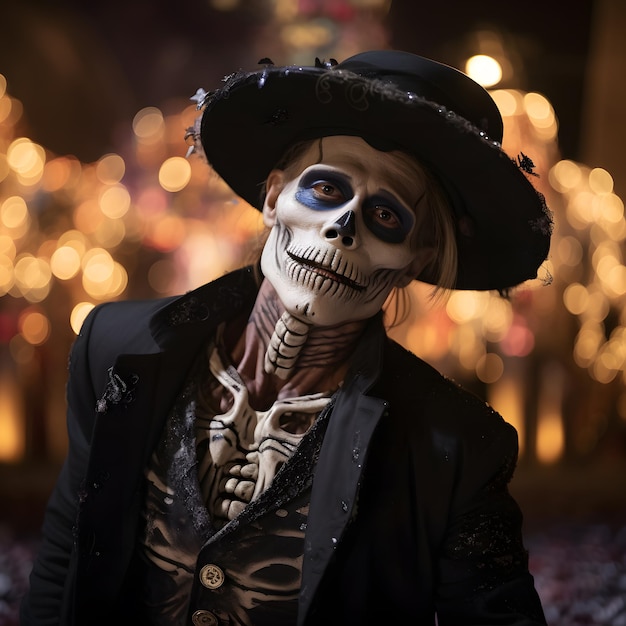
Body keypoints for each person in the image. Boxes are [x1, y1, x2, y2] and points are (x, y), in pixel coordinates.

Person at [21, 50, 552, 626]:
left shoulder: (453, 448)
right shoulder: (116, 350)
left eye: (387, 217)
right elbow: (64, 565)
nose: (343, 226)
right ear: (274, 196)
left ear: (414, 261)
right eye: (325, 189)